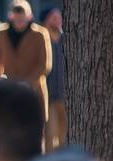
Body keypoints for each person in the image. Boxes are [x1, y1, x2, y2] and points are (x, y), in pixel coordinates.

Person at [0, 0, 51, 124]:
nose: (19, 23)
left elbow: (44, 66)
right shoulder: (2, 34)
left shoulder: (40, 34)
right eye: (16, 19)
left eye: (22, 19)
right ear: (11, 17)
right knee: (10, 129)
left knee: (33, 130)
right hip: (9, 92)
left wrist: (26, 83)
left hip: (34, 91)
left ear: (30, 16)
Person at [40, 6, 66, 152]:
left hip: (66, 96)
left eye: (58, 17)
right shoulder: (40, 40)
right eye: (53, 17)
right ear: (45, 21)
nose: (57, 20)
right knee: (50, 135)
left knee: (66, 136)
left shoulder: (67, 39)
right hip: (48, 97)